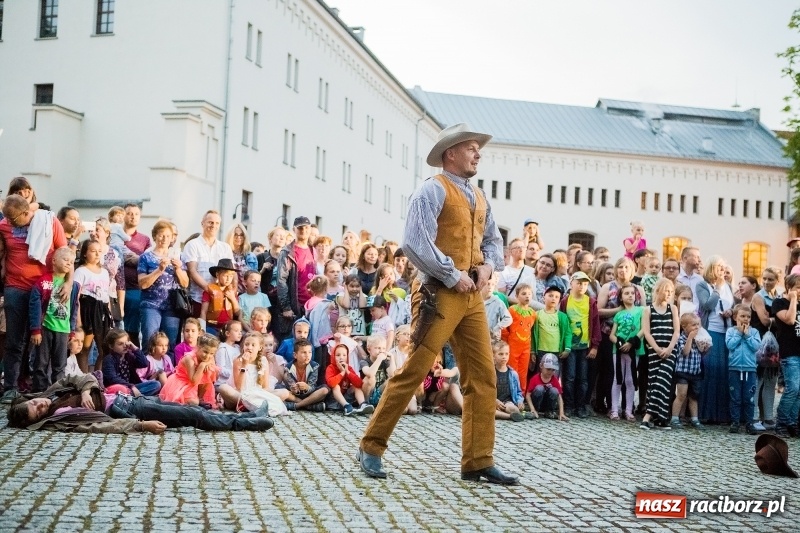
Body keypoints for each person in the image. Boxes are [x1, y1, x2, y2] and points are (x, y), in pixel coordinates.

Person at [357, 123, 517, 485]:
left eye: (479, 149)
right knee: (414, 370)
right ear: (451, 153)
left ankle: (477, 460)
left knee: (483, 377)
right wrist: (451, 273)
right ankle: (371, 445)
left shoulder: (479, 197)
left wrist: (488, 266)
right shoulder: (431, 190)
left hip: (471, 295)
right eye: (472, 148)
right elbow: (414, 242)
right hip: (438, 293)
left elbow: (493, 240)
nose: (478, 154)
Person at [7, 373, 274, 433]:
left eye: (36, 404)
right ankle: (246, 424)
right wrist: (140, 425)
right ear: (37, 420)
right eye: (37, 412)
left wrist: (87, 389)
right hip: (127, 409)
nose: (41, 405)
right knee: (192, 415)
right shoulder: (61, 417)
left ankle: (247, 416)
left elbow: (82, 376)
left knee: (188, 410)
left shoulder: (54, 392)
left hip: (128, 398)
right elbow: (102, 426)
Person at [0, 195, 68, 403]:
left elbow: (66, 254)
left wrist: (68, 282)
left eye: (13, 219)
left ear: (25, 212)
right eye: (7, 218)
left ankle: (42, 386)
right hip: (16, 287)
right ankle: (11, 387)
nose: (9, 222)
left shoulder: (49, 222)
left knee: (45, 340)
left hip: (46, 287)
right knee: (14, 340)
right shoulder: (3, 225)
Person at [29, 247, 80, 392]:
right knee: (41, 363)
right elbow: (35, 305)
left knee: (60, 365)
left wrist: (71, 331)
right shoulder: (44, 282)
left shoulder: (74, 286)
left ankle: (57, 394)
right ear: (54, 260)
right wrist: (35, 329)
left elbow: (74, 309)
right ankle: (39, 392)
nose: (69, 264)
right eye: (65, 260)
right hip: (45, 328)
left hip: (63, 331)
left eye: (71, 262)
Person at [138, 220, 189, 351]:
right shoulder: (146, 257)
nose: (164, 239)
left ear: (172, 238)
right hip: (151, 305)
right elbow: (142, 284)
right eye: (161, 235)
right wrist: (159, 270)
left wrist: (178, 269)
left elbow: (185, 283)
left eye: (168, 236)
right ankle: (147, 370)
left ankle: (168, 371)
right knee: (150, 342)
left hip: (172, 306)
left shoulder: (178, 257)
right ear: (155, 236)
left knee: (170, 345)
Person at [696, 255, 733, 424]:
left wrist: (731, 312)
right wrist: (717, 289)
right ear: (711, 268)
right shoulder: (702, 285)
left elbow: (733, 306)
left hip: (726, 332)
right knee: (709, 372)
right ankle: (706, 413)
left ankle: (722, 415)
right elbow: (707, 305)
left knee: (723, 373)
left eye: (723, 267)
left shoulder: (729, 287)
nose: (722, 270)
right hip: (710, 332)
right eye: (719, 266)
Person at [640, 279, 680, 430]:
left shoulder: (673, 308)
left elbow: (676, 331)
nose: (668, 294)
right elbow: (646, 332)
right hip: (654, 351)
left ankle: (648, 416)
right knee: (654, 382)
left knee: (663, 381)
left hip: (670, 351)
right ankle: (660, 418)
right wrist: (656, 348)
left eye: (671, 291)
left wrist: (669, 348)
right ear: (658, 291)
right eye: (666, 291)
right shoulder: (648, 310)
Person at [560, 272, 601, 418]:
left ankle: (581, 405)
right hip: (570, 346)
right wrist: (563, 345)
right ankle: (569, 405)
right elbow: (562, 322)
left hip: (585, 347)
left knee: (583, 378)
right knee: (570, 377)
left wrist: (595, 345)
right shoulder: (565, 301)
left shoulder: (590, 302)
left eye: (585, 284)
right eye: (579, 283)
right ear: (571, 283)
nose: (582, 286)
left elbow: (595, 323)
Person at [182, 210, 234, 318]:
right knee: (199, 332)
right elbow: (192, 271)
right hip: (198, 299)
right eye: (210, 222)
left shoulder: (225, 247)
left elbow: (232, 272)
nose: (213, 225)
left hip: (221, 301)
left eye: (217, 223)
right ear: (202, 223)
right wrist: (212, 291)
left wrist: (231, 293)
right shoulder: (193, 245)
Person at [74, 239, 113, 373]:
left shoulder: (104, 272)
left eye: (99, 251)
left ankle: (98, 378)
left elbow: (106, 296)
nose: (97, 254)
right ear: (85, 253)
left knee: (105, 348)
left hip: (102, 310)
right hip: (87, 309)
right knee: (85, 347)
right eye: (93, 251)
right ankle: (83, 377)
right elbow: (76, 298)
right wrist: (78, 321)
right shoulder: (81, 271)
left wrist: (110, 315)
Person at [275, 216, 316, 342]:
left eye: (306, 228)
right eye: (300, 228)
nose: (303, 230)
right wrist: (286, 307)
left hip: (311, 307)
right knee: (293, 344)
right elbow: (281, 281)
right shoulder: (287, 252)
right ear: (294, 230)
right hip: (295, 307)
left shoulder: (313, 250)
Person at [230, 332, 288, 417]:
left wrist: (258, 395)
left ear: (260, 347)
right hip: (241, 394)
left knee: (284, 392)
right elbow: (239, 387)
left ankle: (251, 406)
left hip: (258, 393)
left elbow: (265, 386)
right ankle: (253, 406)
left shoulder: (263, 360)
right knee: (223, 389)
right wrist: (244, 365)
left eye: (253, 345)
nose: (249, 347)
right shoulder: (238, 360)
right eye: (247, 344)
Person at [609, 285, 644, 421]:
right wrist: (618, 342)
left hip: (633, 350)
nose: (630, 295)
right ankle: (614, 410)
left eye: (632, 293)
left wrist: (631, 342)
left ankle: (629, 410)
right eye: (626, 293)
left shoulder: (641, 311)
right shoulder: (619, 314)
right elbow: (612, 334)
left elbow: (643, 329)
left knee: (630, 380)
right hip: (617, 351)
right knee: (617, 379)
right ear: (621, 297)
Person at [725, 304, 761, 435]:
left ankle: (749, 423)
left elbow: (756, 346)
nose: (746, 319)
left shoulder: (754, 332)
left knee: (749, 398)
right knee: (735, 397)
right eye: (742, 316)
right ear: (735, 317)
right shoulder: (731, 331)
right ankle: (735, 421)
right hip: (734, 369)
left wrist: (747, 335)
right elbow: (730, 345)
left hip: (749, 370)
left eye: (748, 317)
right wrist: (740, 333)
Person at [121, 204, 153, 346]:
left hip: (134, 288)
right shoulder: (114, 236)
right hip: (114, 288)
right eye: (129, 213)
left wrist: (132, 259)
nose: (133, 216)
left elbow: (148, 262)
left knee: (132, 328)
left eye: (136, 214)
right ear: (123, 215)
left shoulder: (144, 240)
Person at [772, 274, 800, 438]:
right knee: (793, 388)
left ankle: (792, 422)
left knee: (799, 391)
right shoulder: (779, 303)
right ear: (789, 288)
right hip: (790, 353)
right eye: (797, 287)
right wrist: (793, 299)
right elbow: (789, 320)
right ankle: (781, 422)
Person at [159, 334, 220, 406]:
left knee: (210, 370)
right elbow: (193, 381)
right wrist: (202, 365)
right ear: (198, 347)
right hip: (181, 382)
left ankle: (199, 398)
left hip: (195, 386)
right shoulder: (189, 358)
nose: (208, 356)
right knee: (193, 402)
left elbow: (213, 377)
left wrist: (208, 365)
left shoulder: (210, 358)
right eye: (205, 352)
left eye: (211, 353)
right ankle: (194, 400)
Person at [670, 313, 707, 429]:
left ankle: (694, 419)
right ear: (684, 327)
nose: (696, 327)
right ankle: (675, 418)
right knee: (681, 395)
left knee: (694, 396)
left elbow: (703, 353)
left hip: (695, 372)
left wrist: (705, 347)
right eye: (693, 325)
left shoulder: (699, 338)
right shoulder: (681, 338)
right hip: (683, 371)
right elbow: (685, 352)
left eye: (698, 325)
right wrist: (690, 338)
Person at [102, 329, 162, 396]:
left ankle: (135, 397)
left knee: (156, 384)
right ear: (111, 346)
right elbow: (113, 379)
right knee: (125, 391)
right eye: (120, 344)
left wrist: (135, 349)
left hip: (131, 388)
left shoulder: (128, 356)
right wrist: (131, 386)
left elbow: (144, 363)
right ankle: (136, 397)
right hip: (116, 389)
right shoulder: (108, 359)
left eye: (126, 342)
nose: (125, 346)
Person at [282, 338, 329, 411]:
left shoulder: (314, 366)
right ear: (295, 355)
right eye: (304, 352)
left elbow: (312, 385)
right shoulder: (288, 368)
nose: (307, 355)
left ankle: (297, 405)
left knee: (325, 390)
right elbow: (291, 386)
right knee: (281, 389)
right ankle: (309, 406)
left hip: (310, 394)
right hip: (294, 396)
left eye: (310, 352)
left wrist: (307, 387)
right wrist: (294, 389)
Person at [326, 343, 372, 416]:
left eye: (344, 355)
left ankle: (362, 404)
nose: (341, 357)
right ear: (333, 356)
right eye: (338, 355)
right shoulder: (330, 368)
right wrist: (342, 373)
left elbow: (359, 383)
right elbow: (331, 383)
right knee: (336, 386)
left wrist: (347, 372)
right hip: (333, 401)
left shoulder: (349, 368)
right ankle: (346, 407)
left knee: (355, 386)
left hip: (347, 399)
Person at [200, 259, 240, 336]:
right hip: (211, 327)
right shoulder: (209, 290)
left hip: (227, 329)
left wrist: (233, 298)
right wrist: (202, 329)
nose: (228, 279)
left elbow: (237, 313)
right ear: (218, 275)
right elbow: (203, 312)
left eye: (231, 276)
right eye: (225, 275)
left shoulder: (232, 292)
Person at [525, 354, 568, 421]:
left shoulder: (554, 379)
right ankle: (536, 410)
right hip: (537, 403)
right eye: (548, 369)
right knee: (539, 388)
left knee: (554, 390)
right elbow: (528, 395)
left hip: (548, 403)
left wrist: (561, 413)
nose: (550, 372)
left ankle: (549, 411)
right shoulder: (535, 378)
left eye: (553, 370)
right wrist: (532, 409)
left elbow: (559, 396)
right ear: (541, 366)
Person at [492, 340, 526, 422]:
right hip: (494, 401)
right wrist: (494, 400)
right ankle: (509, 416)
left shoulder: (513, 374)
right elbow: (485, 390)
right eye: (500, 354)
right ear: (493, 356)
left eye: (506, 354)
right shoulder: (491, 373)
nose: (504, 357)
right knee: (487, 411)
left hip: (507, 402)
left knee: (512, 408)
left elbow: (518, 392)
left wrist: (519, 401)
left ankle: (514, 413)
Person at [497, 238, 536, 304]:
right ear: (510, 252)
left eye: (523, 247)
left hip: (530, 310)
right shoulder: (504, 272)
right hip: (512, 309)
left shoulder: (533, 271)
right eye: (517, 247)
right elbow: (502, 296)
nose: (521, 250)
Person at [224, 223, 258, 293]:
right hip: (230, 293)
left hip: (247, 294)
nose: (238, 237)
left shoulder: (251, 256)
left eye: (241, 235)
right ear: (231, 236)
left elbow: (255, 278)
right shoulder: (225, 254)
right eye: (235, 234)